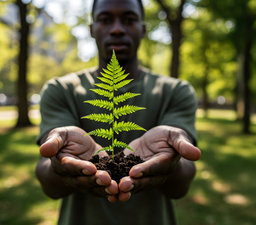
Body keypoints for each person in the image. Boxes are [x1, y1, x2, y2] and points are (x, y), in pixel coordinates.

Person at [35, 0, 201, 224]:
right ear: (92, 29)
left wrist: (172, 160)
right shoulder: (60, 90)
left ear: (143, 28)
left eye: (129, 19)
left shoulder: (176, 91)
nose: (116, 29)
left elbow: (181, 185)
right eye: (105, 20)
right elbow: (49, 183)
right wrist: (58, 164)